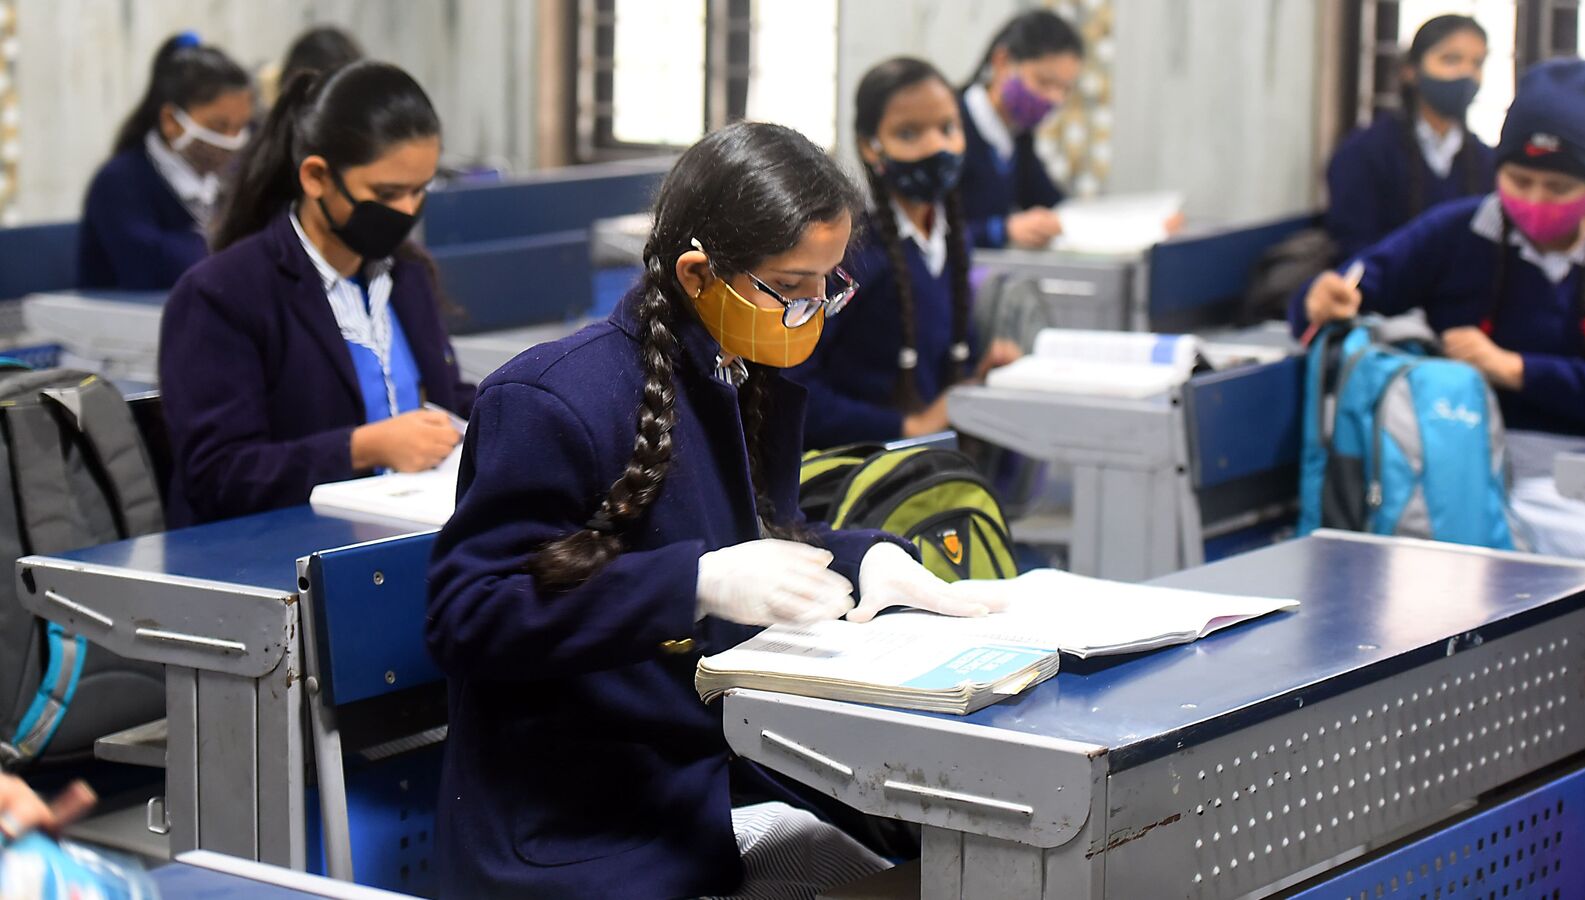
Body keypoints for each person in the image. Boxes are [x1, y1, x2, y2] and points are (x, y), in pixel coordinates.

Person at [426, 120, 1007, 898]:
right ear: (698, 274)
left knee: (932, 866)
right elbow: (470, 615)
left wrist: (862, 557)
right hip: (576, 828)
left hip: (700, 782)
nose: (812, 312)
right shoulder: (550, 398)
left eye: (827, 286)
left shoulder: (736, 372)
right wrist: (695, 583)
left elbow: (746, 542)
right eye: (791, 288)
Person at [1295, 59, 1585, 557]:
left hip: (1581, 473)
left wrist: (1516, 370)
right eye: (1519, 180)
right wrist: (1319, 299)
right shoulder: (1457, 232)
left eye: (1559, 188)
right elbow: (1354, 289)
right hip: (1467, 464)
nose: (1536, 200)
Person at [159, 61, 473, 527]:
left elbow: (444, 399)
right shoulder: (222, 294)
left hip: (416, 532)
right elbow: (217, 474)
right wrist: (361, 448)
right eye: (387, 193)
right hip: (288, 549)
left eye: (419, 190)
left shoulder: (407, 274)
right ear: (316, 177)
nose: (407, 210)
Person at [794, 57, 1019, 448]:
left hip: (926, 462)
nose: (936, 147)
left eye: (948, 128)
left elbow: (940, 368)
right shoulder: (848, 253)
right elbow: (795, 390)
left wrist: (980, 375)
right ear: (870, 146)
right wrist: (906, 427)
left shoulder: (952, 240)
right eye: (909, 133)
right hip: (857, 468)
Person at [78, 33, 252, 290]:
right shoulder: (119, 182)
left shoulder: (234, 175)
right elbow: (152, 269)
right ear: (171, 120)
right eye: (219, 126)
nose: (231, 140)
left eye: (240, 127)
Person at [1325, 14, 1496, 263]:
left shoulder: (1487, 161)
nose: (1466, 74)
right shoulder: (1363, 153)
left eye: (1477, 63)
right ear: (1411, 71)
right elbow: (1353, 247)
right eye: (1451, 59)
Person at [958, 10, 1083, 249]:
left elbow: (1051, 203)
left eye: (1064, 89)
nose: (1054, 98)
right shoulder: (949, 127)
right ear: (1002, 61)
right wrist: (1002, 230)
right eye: (1044, 82)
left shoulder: (1018, 137)